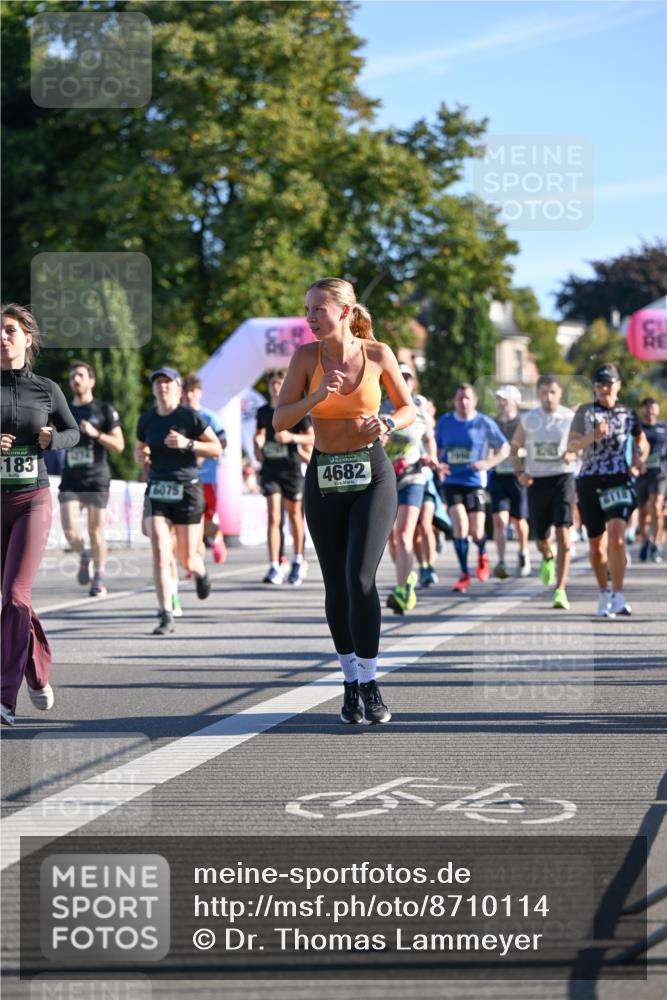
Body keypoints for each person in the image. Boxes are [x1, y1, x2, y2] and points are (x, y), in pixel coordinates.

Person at [274, 277, 414, 724]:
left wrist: (389, 424)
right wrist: (316, 396)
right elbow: (280, 420)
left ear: (345, 311)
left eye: (318, 309)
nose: (310, 318)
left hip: (371, 474)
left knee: (360, 580)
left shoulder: (378, 354)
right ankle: (350, 683)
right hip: (324, 475)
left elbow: (409, 407)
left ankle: (371, 683)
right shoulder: (304, 357)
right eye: (307, 309)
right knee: (335, 585)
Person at [1, 304, 80, 726]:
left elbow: (74, 431)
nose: (2, 337)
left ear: (27, 339)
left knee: (15, 596)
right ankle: (37, 669)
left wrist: (54, 438)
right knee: (15, 602)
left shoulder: (46, 389)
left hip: (32, 499)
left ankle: (4, 697)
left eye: (9, 330)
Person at [136, 367, 222, 635]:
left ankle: (201, 572)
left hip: (187, 490)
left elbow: (216, 449)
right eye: (157, 382)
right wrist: (142, 457)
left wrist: (188, 444)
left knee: (186, 559)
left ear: (178, 387)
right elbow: (141, 448)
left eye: (167, 382)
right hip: (158, 490)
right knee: (161, 551)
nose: (162, 386)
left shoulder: (189, 417)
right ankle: (165, 614)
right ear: (153, 389)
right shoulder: (147, 420)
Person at [567, 363, 648, 617]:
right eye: (600, 384)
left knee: (617, 536)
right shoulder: (584, 412)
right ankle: (603, 593)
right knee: (597, 546)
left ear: (618, 385)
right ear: (594, 387)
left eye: (609, 384)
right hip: (590, 480)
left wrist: (639, 457)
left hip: (618, 478)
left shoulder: (627, 413)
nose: (604, 389)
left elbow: (641, 441)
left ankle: (619, 594)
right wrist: (592, 436)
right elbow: (571, 446)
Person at [58, 360, 125, 597]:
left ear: (91, 381)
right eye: (72, 377)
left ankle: (99, 575)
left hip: (96, 478)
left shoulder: (104, 410)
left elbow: (119, 445)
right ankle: (84, 555)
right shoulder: (63, 410)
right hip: (71, 478)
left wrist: (95, 433)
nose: (75, 380)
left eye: (80, 375)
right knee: (69, 530)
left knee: (95, 531)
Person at [435, 384, 509, 592]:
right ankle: (464, 573)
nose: (463, 402)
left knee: (476, 531)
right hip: (452, 481)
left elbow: (504, 447)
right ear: (454, 401)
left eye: (467, 398)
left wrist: (488, 463)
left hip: (475, 481)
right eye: (460, 398)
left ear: (474, 401)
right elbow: (438, 447)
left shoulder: (483, 423)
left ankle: (482, 553)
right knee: (460, 525)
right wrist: (438, 463)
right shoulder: (445, 422)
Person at [511, 374, 576, 609]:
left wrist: (573, 452)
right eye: (544, 392)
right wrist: (520, 473)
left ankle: (560, 590)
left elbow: (579, 445)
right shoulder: (529, 419)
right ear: (538, 394)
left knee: (563, 533)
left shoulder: (569, 417)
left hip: (563, 478)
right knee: (541, 539)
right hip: (537, 481)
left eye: (553, 392)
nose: (548, 397)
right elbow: (514, 448)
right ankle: (548, 556)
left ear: (559, 394)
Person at [382, 364, 437, 613]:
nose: (403, 382)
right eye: (399, 377)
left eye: (407, 378)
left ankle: (403, 589)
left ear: (413, 383)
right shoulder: (378, 408)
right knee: (391, 538)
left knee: (404, 534)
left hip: (412, 478)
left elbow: (429, 439)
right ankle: (406, 577)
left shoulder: (419, 412)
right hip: (385, 479)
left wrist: (431, 457)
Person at [255, 369, 314, 585]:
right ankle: (274, 565)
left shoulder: (295, 410)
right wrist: (258, 445)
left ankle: (298, 560)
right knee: (273, 516)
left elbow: (311, 438)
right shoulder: (262, 412)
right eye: (273, 384)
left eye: (280, 384)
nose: (276, 388)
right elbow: (259, 434)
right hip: (270, 469)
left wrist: (290, 437)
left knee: (294, 514)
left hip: (291, 469)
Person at [181, 374, 228, 566]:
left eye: (193, 391)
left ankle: (217, 536)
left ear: (199, 393)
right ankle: (195, 561)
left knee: (204, 522)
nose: (190, 395)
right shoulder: (177, 416)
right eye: (187, 391)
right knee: (192, 522)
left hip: (206, 478)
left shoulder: (209, 416)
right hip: (183, 477)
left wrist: (202, 452)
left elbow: (223, 442)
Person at [490, 385, 530, 579]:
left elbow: (531, 449)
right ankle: (502, 561)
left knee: (520, 522)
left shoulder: (524, 423)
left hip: (517, 475)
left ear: (516, 401)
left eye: (505, 399)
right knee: (499, 520)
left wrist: (514, 453)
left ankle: (523, 552)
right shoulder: (493, 423)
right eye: (499, 399)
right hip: (498, 476)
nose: (501, 403)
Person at [636, 397, 666, 562]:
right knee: (643, 512)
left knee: (656, 507)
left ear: (657, 410)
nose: (650, 411)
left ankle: (656, 543)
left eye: (653, 408)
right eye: (646, 408)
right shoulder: (637, 428)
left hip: (660, 474)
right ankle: (644, 541)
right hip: (642, 474)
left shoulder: (664, 427)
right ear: (642, 410)